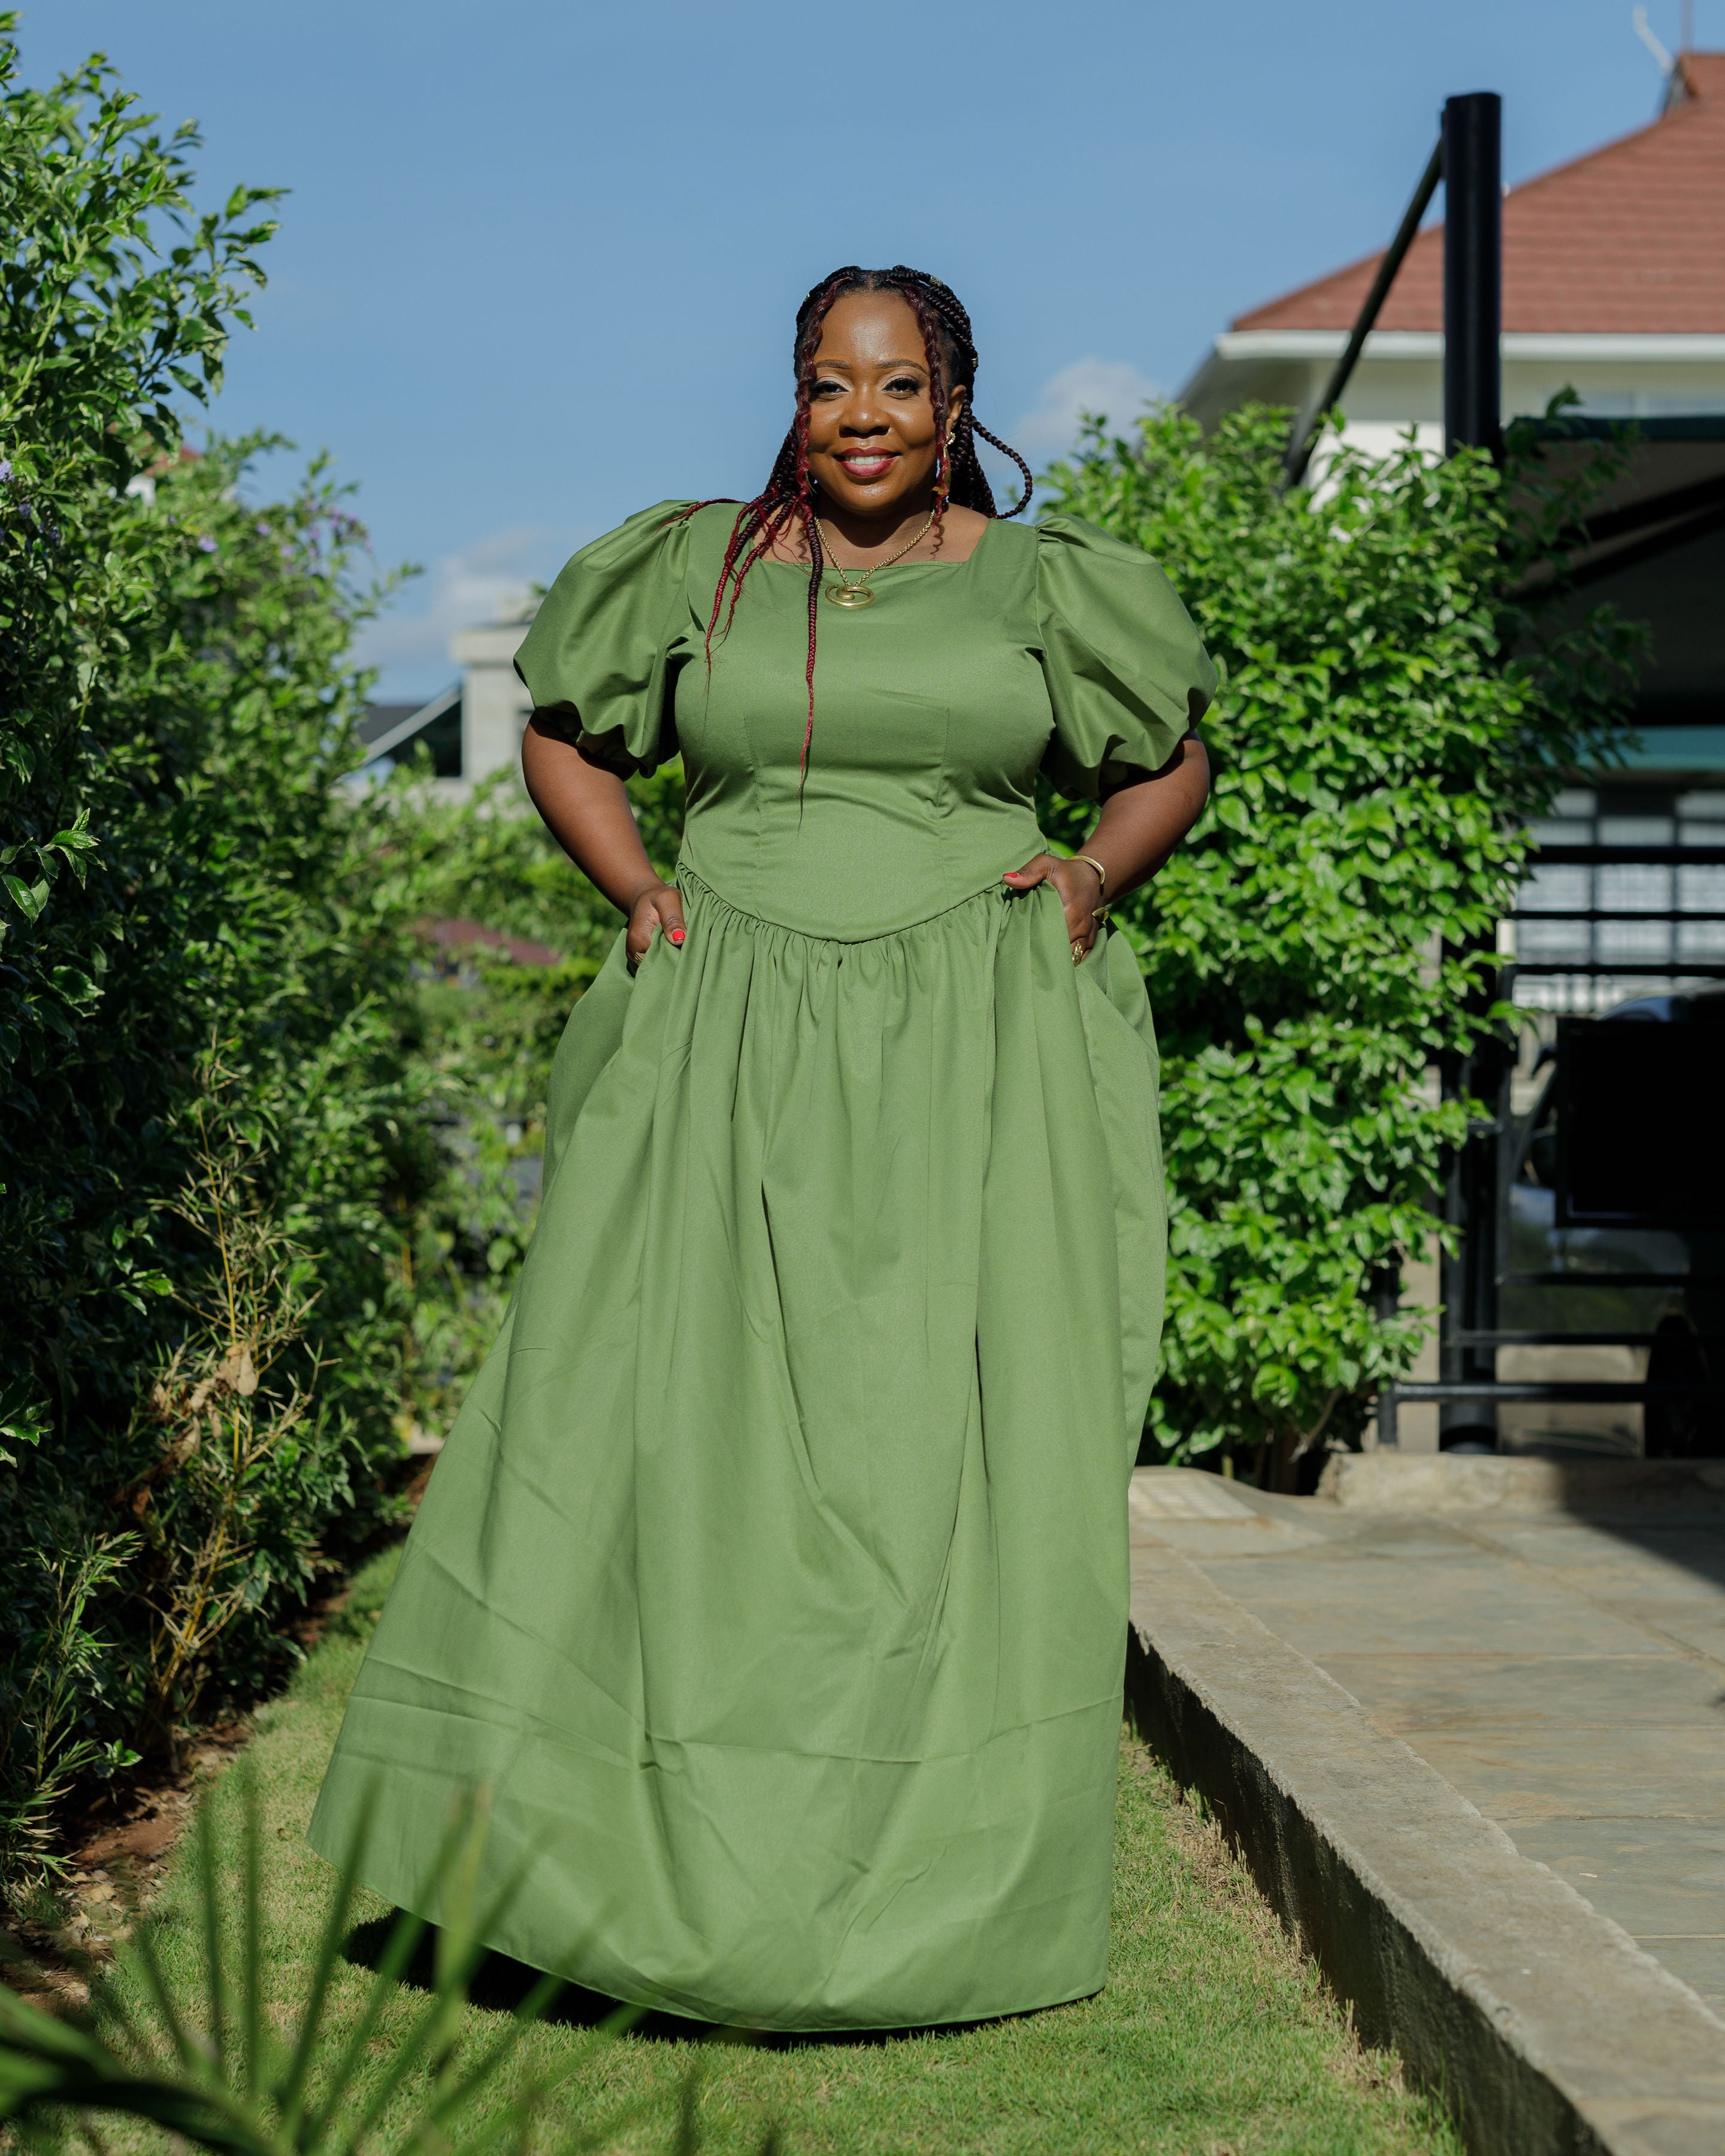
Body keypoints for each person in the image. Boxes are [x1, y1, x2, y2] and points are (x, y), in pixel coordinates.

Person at [310, 265, 1215, 2032]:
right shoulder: (692, 570)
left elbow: (1166, 762)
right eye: (828, 383)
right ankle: (604, 1856)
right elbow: (565, 742)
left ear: (954, 405)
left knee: (941, 1451)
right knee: (648, 1422)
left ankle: (935, 1875)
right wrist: (638, 887)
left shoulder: (1046, 584)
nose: (861, 417)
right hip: (721, 1030)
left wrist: (1093, 875)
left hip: (973, 1042)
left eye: (897, 385)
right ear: (797, 400)